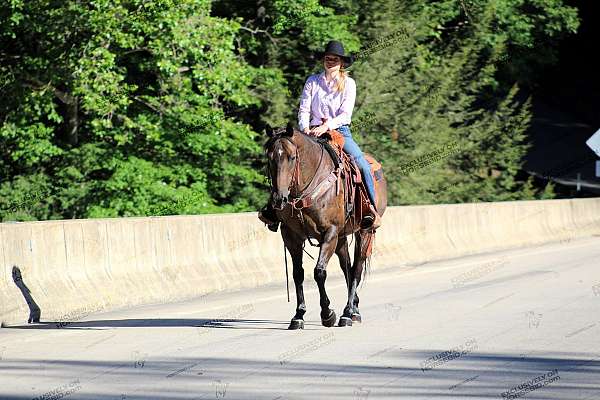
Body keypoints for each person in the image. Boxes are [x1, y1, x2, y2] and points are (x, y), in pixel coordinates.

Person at [259, 40, 381, 231]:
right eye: (327, 58)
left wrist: (326, 127)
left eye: (334, 59)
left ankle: (370, 210)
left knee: (361, 164)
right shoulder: (312, 81)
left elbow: (345, 114)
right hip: (310, 132)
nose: (330, 61)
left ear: (341, 62)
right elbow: (304, 108)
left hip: (339, 132)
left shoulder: (349, 84)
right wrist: (305, 128)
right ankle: (274, 209)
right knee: (284, 160)